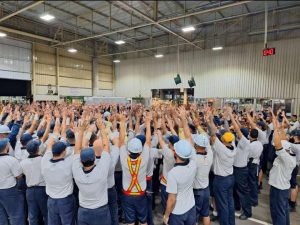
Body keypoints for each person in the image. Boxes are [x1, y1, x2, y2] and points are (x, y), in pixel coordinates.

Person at [72, 118, 112, 225]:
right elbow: (106, 147)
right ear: (94, 158)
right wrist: (102, 129)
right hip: (101, 211)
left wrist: (81, 131)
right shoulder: (101, 171)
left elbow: (77, 150)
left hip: (83, 211)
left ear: (81, 160)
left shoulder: (77, 172)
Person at [41, 115, 76, 225]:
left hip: (51, 200)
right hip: (65, 201)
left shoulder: (45, 161)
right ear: (64, 152)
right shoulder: (68, 164)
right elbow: (78, 149)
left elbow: (50, 144)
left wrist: (58, 125)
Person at [119, 112, 150, 225]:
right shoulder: (144, 158)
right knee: (143, 220)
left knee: (130, 221)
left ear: (129, 149)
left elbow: (121, 141)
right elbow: (148, 141)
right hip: (141, 194)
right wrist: (147, 123)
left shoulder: (124, 158)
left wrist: (122, 123)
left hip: (127, 194)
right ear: (140, 150)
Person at [206, 109, 236, 225]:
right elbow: (228, 131)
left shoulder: (221, 149)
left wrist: (209, 119)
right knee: (230, 202)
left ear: (223, 141)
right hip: (230, 178)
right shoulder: (233, 145)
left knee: (222, 205)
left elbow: (213, 134)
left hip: (221, 180)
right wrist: (227, 118)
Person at [269, 112, 296, 225]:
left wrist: (276, 130)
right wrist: (278, 127)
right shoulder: (289, 152)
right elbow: (283, 139)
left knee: (278, 212)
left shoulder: (286, 158)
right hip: (282, 188)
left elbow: (277, 143)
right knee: (283, 210)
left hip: (279, 189)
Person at [163, 139, 197, 225]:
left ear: (175, 153)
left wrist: (166, 215)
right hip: (191, 206)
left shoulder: (173, 173)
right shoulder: (193, 164)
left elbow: (171, 199)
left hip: (177, 212)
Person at [20, 139, 48, 225]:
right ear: (38, 149)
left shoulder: (23, 162)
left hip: (30, 191)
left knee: (32, 215)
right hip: (42, 190)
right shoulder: (43, 160)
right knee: (46, 214)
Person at [230, 112, 252, 220]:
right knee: (236, 189)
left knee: (243, 191)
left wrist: (231, 115)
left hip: (241, 170)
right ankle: (237, 206)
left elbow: (238, 129)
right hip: (237, 168)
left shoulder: (245, 142)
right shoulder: (241, 143)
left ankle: (247, 212)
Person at [0, 138, 26, 225]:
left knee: (1, 216)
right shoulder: (11, 160)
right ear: (6, 147)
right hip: (9, 190)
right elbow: (19, 176)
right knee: (16, 216)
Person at [246, 112, 264, 207]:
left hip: (251, 164)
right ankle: (254, 199)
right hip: (256, 164)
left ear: (250, 135)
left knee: (251, 183)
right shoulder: (260, 144)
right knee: (254, 183)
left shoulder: (250, 145)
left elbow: (247, 156)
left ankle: (252, 200)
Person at [289, 129, 300, 212]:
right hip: (296, 166)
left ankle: (292, 204)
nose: (291, 137)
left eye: (292, 135)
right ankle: (294, 201)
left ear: (296, 137)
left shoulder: (295, 146)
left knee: (293, 185)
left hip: (293, 166)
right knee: (295, 184)